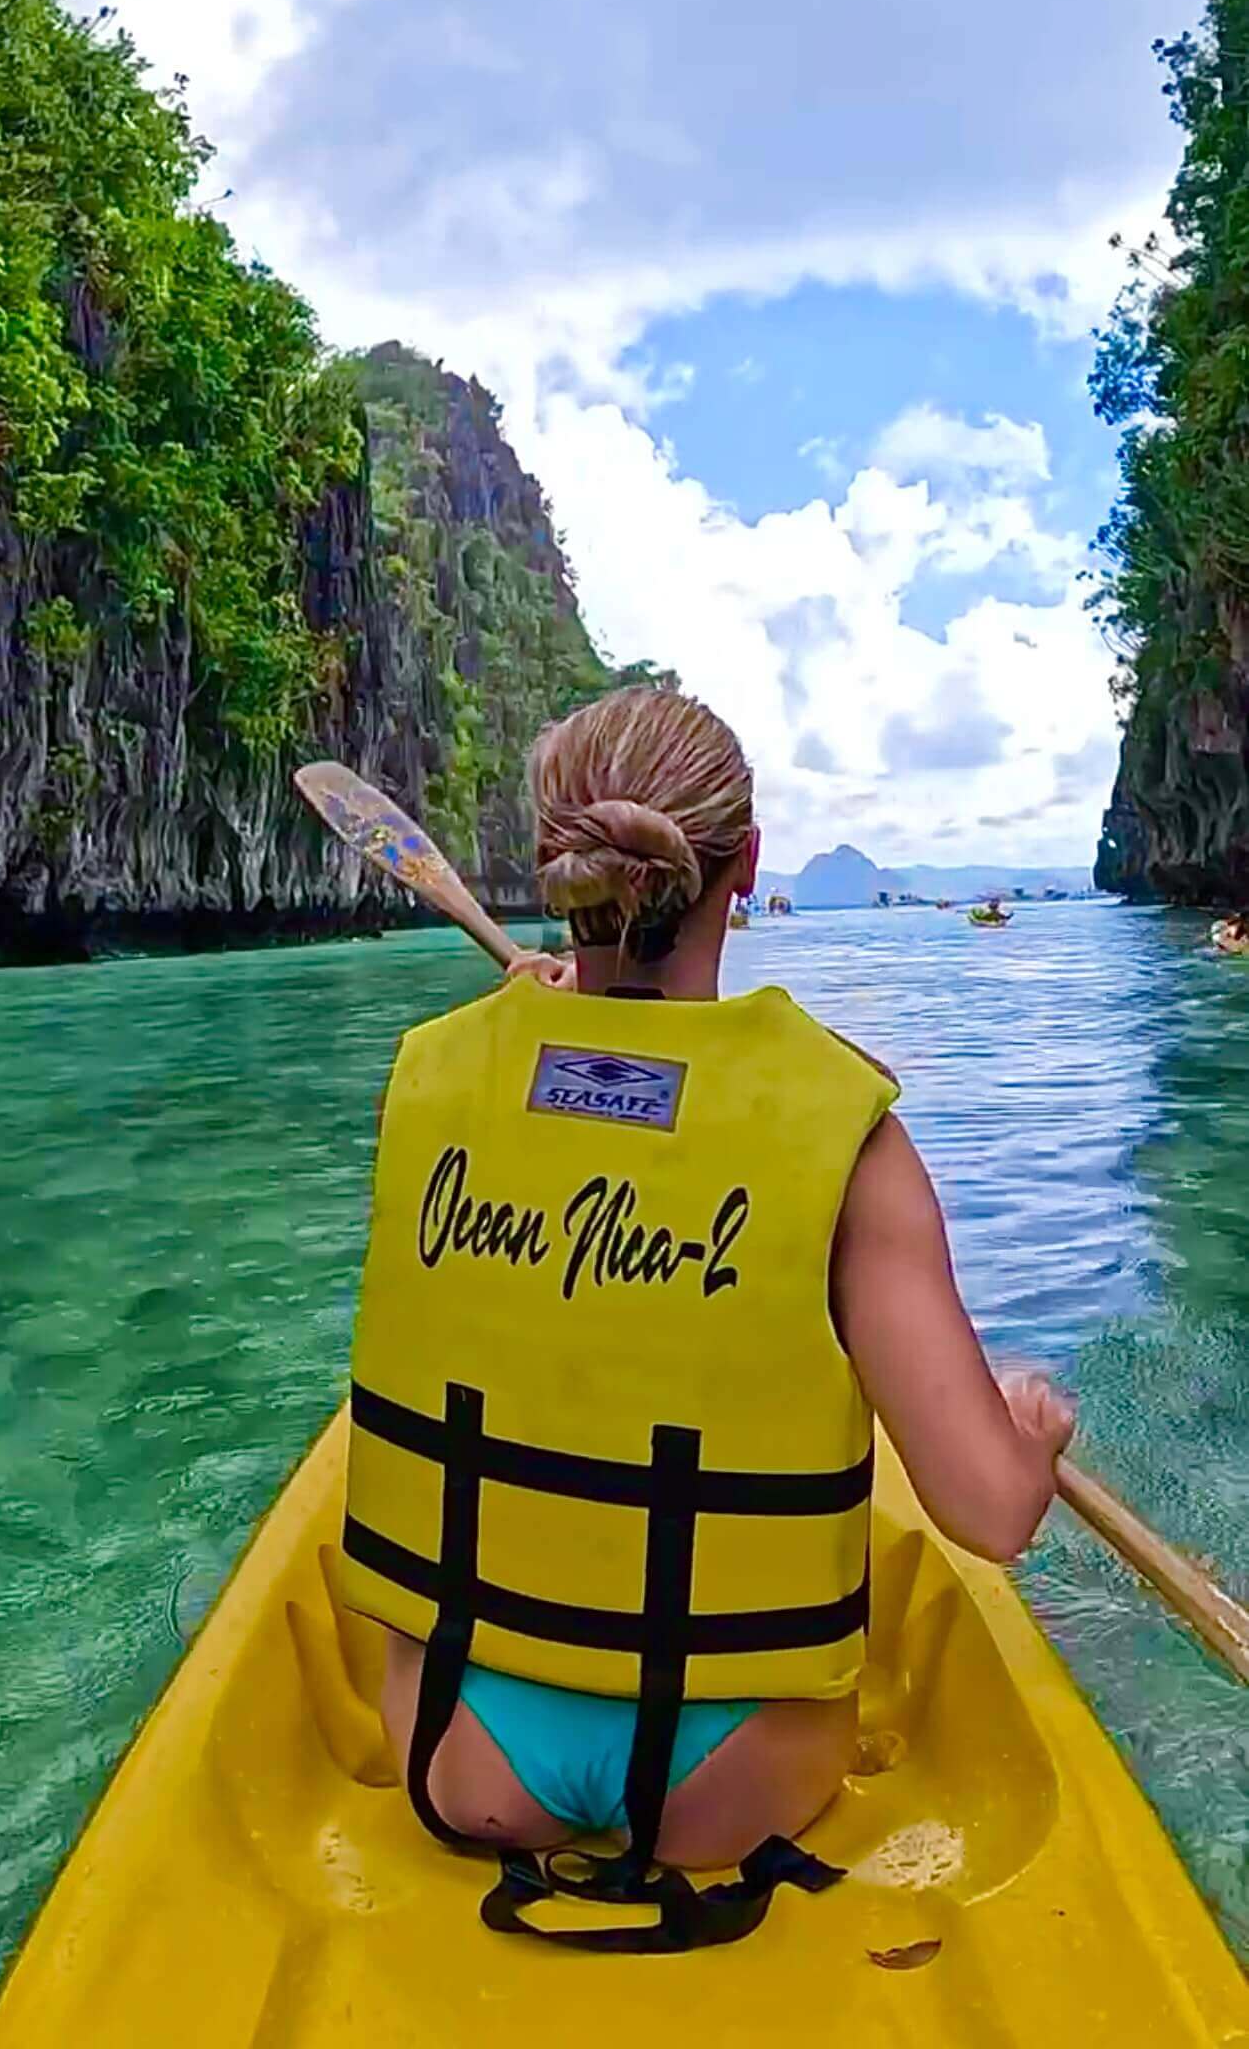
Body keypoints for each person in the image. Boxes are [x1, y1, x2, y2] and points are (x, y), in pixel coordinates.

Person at [346, 688, 1074, 1921]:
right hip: (730, 1788)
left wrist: (538, 1020)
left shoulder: (430, 1078)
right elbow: (994, 1516)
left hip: (458, 1752)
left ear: (555, 866)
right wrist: (1034, 1439)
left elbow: (585, 1101)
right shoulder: (849, 1139)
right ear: (744, 865)